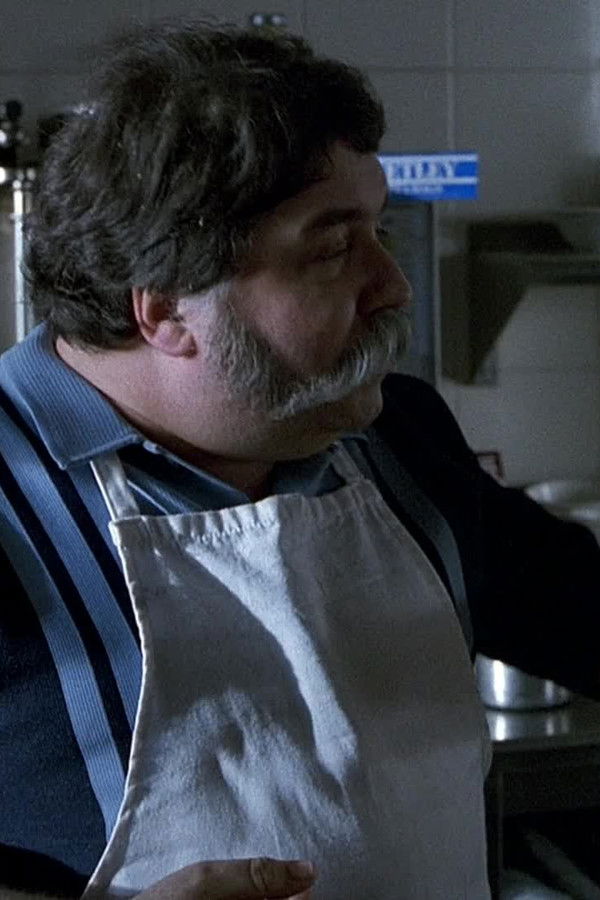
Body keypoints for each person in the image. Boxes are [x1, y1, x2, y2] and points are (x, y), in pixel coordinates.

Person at [1, 20, 599, 900]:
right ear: (165, 309)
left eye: (379, 231)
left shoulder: (398, 440)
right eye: (333, 247)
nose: (392, 284)